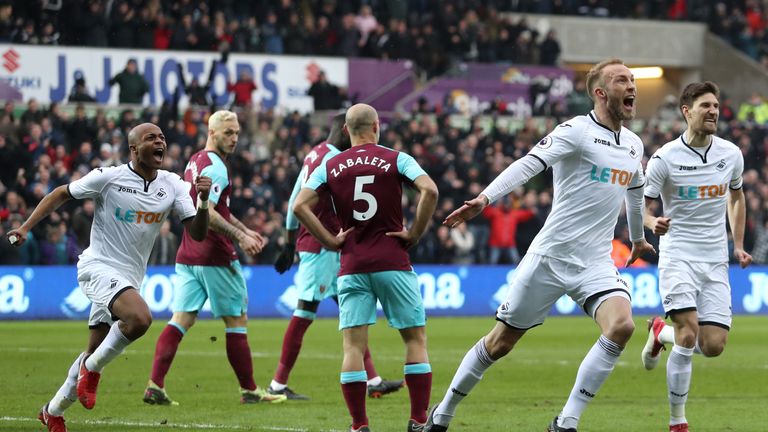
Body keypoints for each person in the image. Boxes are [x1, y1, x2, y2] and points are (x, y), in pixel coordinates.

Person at [425, 58, 655, 432]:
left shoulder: (632, 144)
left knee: (622, 326)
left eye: (632, 80)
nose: (631, 86)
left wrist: (639, 238)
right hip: (550, 256)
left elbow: (634, 190)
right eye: (620, 81)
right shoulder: (576, 131)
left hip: (595, 261)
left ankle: (566, 422)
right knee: (499, 344)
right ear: (600, 93)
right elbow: (529, 164)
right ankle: (443, 413)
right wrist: (485, 198)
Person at [8, 123, 211, 432]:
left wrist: (204, 201)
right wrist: (25, 226)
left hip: (129, 278)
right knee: (140, 319)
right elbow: (62, 193)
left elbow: (196, 233)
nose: (160, 142)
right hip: (97, 267)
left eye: (162, 138)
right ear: (133, 149)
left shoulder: (173, 184)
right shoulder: (109, 178)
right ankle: (91, 370)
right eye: (151, 138)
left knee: (95, 350)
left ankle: (52, 410)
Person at [293, 104, 438, 432]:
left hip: (352, 264)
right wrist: (414, 233)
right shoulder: (396, 158)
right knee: (414, 340)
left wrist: (330, 241)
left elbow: (299, 206)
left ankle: (359, 425)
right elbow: (430, 189)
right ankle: (418, 421)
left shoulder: (330, 165)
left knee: (353, 346)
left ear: (345, 130)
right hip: (393, 261)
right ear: (376, 125)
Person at [142, 110, 286, 405]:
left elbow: (220, 209)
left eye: (236, 132)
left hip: (188, 255)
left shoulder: (196, 160)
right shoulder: (217, 167)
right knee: (236, 321)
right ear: (212, 133)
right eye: (229, 133)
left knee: (180, 319)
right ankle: (249, 390)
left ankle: (154, 385)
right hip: (215, 255)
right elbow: (205, 210)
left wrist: (246, 228)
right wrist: (241, 237)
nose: (235, 138)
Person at [640, 81, 752, 432]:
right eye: (706, 106)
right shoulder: (665, 158)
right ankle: (678, 422)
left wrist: (737, 244)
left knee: (713, 345)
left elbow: (736, 198)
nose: (714, 112)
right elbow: (639, 203)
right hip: (678, 255)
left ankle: (659, 333)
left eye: (716, 106)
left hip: (715, 257)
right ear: (686, 111)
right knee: (688, 333)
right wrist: (650, 221)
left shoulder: (731, 154)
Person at [270, 113, 404, 400]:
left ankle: (373, 380)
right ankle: (277, 385)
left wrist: (289, 242)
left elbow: (296, 197)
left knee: (351, 312)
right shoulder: (331, 161)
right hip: (322, 247)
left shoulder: (314, 154)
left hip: (323, 246)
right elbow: (300, 203)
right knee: (305, 312)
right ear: (346, 132)